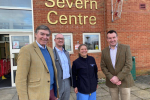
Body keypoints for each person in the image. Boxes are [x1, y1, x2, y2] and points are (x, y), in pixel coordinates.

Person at [15, 25, 59, 100]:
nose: (45, 37)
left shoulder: (50, 50)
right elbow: (20, 79)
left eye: (47, 35)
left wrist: (55, 93)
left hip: (51, 91)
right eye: (42, 34)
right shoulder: (26, 50)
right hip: (36, 94)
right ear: (36, 35)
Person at [100, 30, 134, 100]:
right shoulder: (104, 51)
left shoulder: (125, 48)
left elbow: (129, 65)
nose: (112, 40)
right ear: (107, 39)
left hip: (124, 80)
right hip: (111, 82)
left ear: (117, 37)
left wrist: (118, 78)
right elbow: (103, 66)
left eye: (113, 37)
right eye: (109, 38)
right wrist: (112, 78)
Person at [53, 33, 72, 100]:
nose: (60, 40)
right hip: (57, 83)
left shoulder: (66, 53)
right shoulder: (51, 53)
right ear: (55, 40)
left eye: (62, 39)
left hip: (67, 81)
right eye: (58, 38)